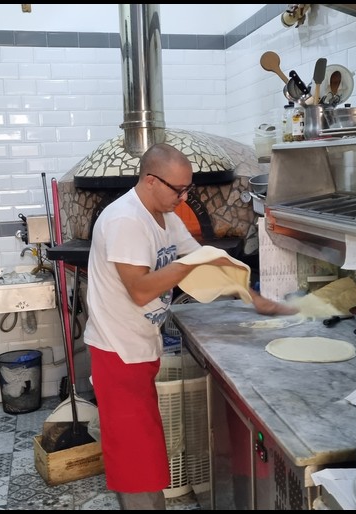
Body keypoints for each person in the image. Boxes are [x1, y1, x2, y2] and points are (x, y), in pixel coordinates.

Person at [84, 143, 296, 509]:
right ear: (151, 180)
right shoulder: (125, 221)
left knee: (145, 451)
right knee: (135, 458)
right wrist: (187, 267)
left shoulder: (166, 216)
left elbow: (203, 256)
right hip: (116, 351)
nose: (184, 197)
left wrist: (252, 296)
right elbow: (140, 290)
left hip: (139, 346)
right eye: (178, 189)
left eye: (188, 189)